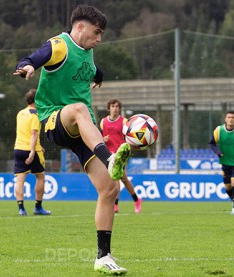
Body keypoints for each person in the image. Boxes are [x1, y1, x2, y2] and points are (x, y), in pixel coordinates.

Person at [14, 5, 129, 275]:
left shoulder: (87, 52)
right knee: (78, 108)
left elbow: (92, 70)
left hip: (81, 127)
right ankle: (109, 156)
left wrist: (98, 77)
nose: (99, 39)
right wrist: (27, 66)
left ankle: (103, 256)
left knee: (110, 190)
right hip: (55, 119)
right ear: (80, 27)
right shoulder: (60, 45)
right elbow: (35, 56)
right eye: (96, 32)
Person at [100, 99, 142, 213]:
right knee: (118, 178)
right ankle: (132, 200)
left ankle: (122, 203)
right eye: (113, 106)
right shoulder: (103, 122)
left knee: (120, 178)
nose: (115, 108)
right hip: (108, 154)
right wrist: (103, 140)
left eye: (117, 106)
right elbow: (100, 138)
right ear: (109, 108)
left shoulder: (124, 122)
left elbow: (129, 136)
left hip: (120, 154)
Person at [14, 89, 51, 216]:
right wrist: (32, 151)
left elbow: (24, 132)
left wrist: (38, 146)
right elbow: (33, 133)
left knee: (20, 180)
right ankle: (38, 207)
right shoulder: (35, 115)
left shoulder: (20, 113)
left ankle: (21, 208)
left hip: (18, 149)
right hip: (32, 150)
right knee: (40, 177)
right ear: (37, 100)